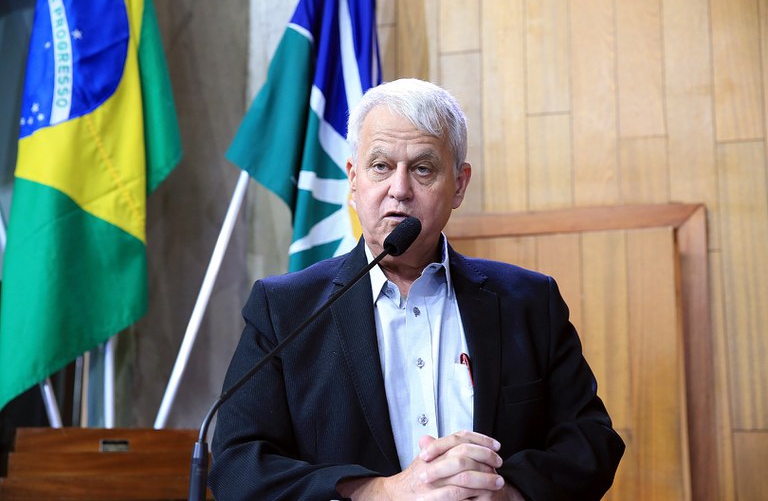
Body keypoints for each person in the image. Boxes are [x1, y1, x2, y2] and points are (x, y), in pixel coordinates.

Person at [209, 78, 625, 500]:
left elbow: (592, 440)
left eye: (423, 169)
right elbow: (237, 467)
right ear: (353, 179)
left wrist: (510, 491)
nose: (399, 189)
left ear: (459, 184)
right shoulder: (285, 310)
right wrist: (380, 492)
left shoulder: (529, 302)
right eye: (380, 166)